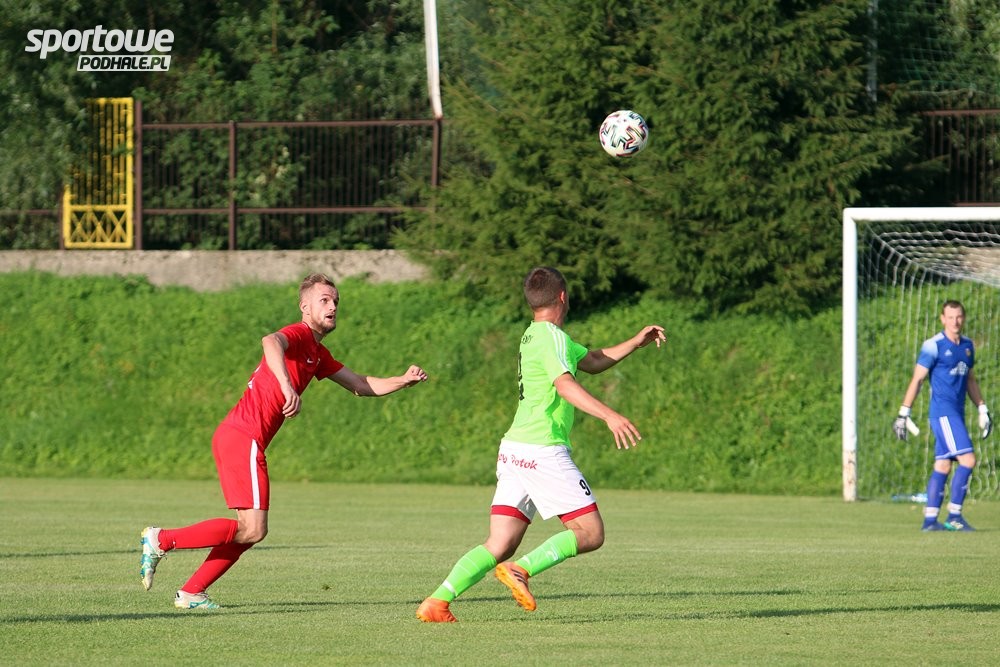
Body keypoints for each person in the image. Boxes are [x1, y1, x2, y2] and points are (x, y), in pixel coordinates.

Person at [139, 273, 428, 609]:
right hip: (242, 436)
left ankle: (191, 591)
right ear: (305, 307)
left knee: (250, 530)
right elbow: (270, 341)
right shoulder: (299, 333)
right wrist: (287, 386)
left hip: (241, 439)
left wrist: (403, 381)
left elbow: (361, 385)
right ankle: (161, 539)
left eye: (335, 301)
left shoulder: (317, 353)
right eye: (324, 300)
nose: (333, 306)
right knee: (253, 529)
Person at [416, 266, 666, 622]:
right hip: (542, 450)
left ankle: (437, 602)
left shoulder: (533, 335)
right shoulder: (553, 338)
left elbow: (592, 361)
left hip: (514, 449)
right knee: (590, 532)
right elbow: (564, 384)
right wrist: (609, 415)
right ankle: (521, 570)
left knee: (500, 543)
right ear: (563, 296)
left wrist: (634, 342)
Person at [893, 299, 992, 532]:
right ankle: (955, 517)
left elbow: (970, 379)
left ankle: (930, 521)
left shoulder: (967, 346)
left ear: (963, 318)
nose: (955, 321)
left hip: (957, 413)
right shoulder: (933, 345)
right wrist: (903, 413)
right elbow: (917, 379)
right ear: (942, 319)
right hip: (943, 413)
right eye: (950, 317)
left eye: (958, 317)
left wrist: (982, 408)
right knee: (968, 460)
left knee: (943, 464)